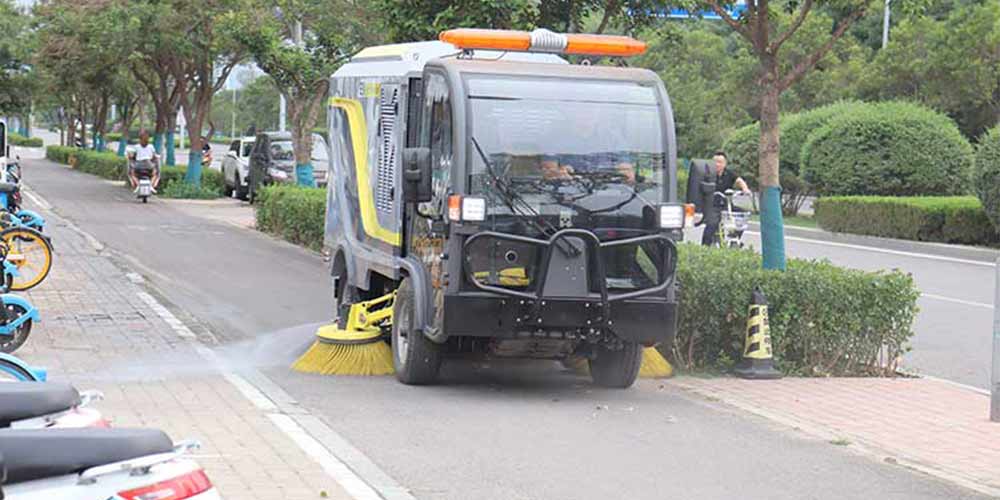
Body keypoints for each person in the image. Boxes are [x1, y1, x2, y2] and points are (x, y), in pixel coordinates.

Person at [701, 151, 751, 246]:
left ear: (725, 163)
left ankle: (734, 238)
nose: (717, 164)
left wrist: (745, 189)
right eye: (715, 161)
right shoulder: (708, 174)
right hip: (712, 205)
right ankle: (704, 247)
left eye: (720, 162)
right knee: (712, 224)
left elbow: (739, 180)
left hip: (726, 204)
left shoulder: (729, 173)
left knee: (742, 216)